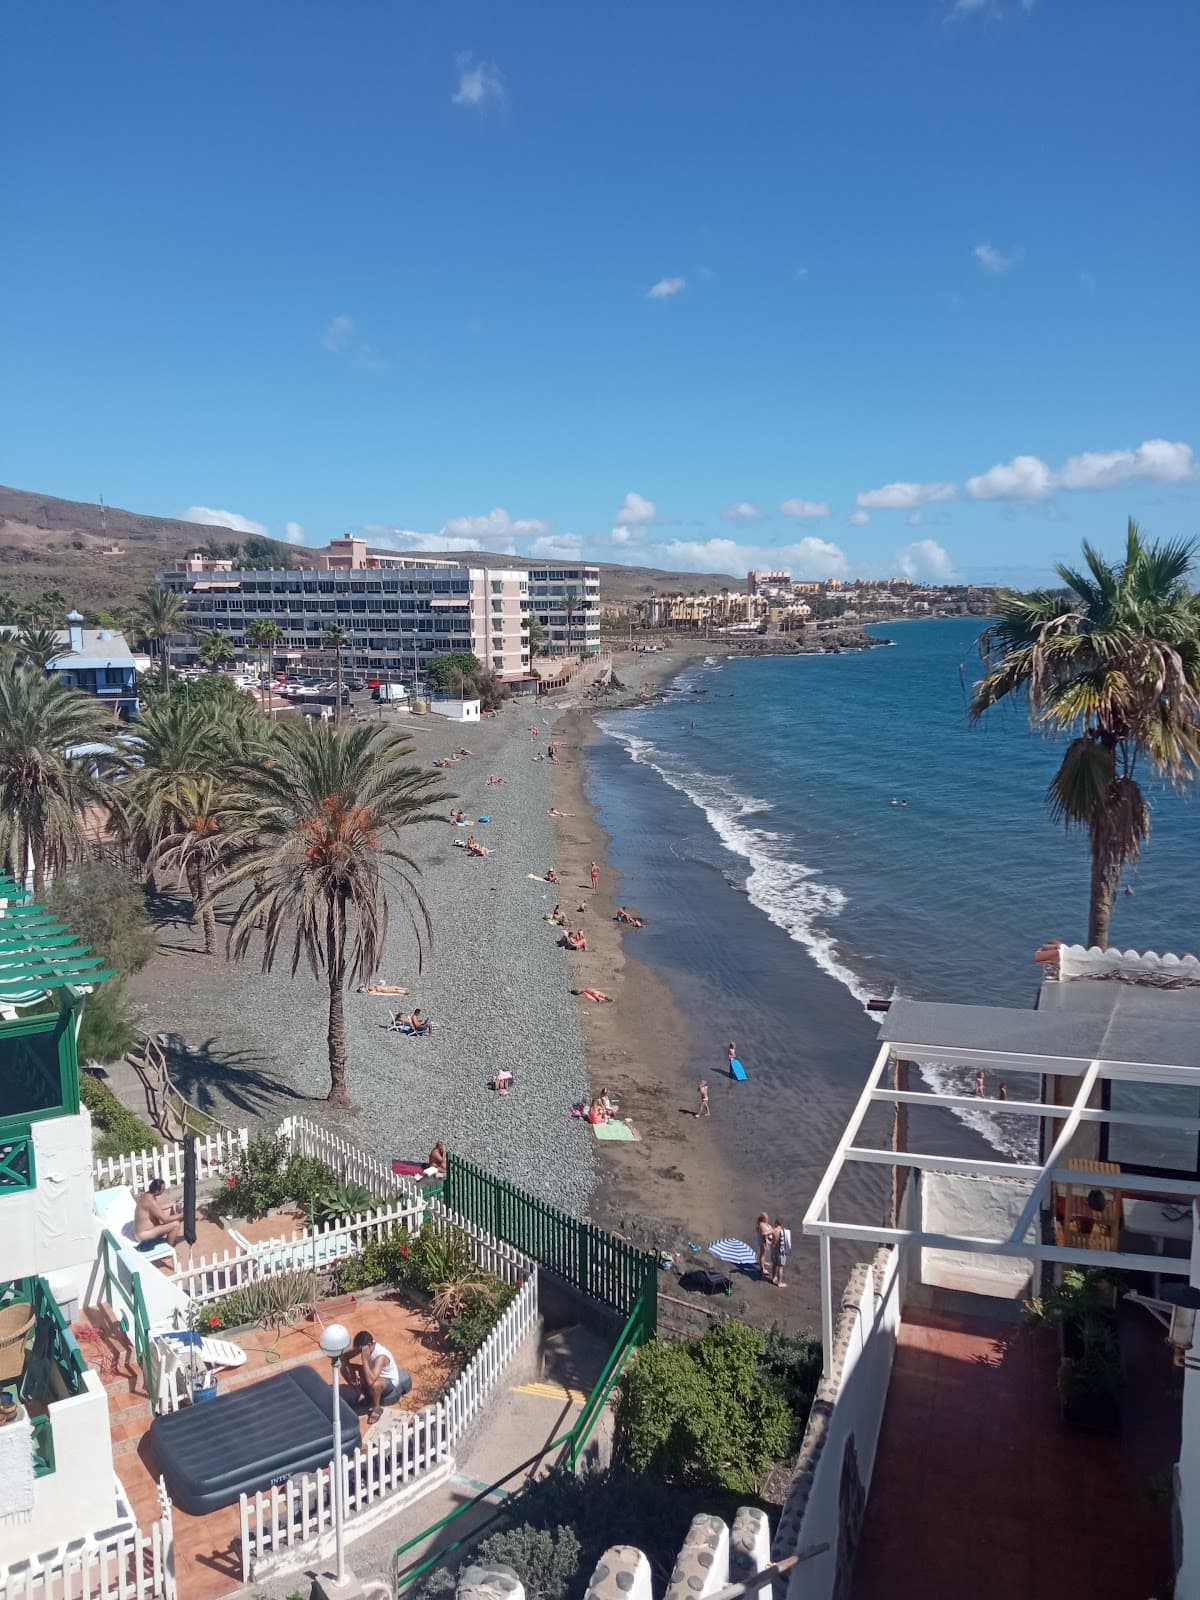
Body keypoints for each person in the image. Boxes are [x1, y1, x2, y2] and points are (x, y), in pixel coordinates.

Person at [340, 1330, 406, 1423]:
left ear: (370, 1345)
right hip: (372, 1374)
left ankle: (376, 1408)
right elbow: (344, 1357)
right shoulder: (364, 1347)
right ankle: (360, 1395)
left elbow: (371, 1381)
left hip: (387, 1381)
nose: (360, 1352)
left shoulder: (381, 1356)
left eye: (362, 1350)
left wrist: (365, 1359)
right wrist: (350, 1375)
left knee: (374, 1385)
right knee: (343, 1369)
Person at [134, 1179, 183, 1251]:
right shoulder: (150, 1201)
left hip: (144, 1231)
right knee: (176, 1224)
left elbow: (156, 1208)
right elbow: (165, 1219)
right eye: (163, 1189)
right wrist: (183, 1214)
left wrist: (172, 1204)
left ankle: (170, 1237)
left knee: (170, 1210)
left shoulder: (147, 1195)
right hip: (144, 1235)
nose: (164, 1190)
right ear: (157, 1191)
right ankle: (168, 1250)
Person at [771, 1219, 791, 1288]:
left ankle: (773, 1278)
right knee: (780, 1267)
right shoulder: (784, 1231)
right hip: (781, 1251)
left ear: (776, 1223)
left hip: (774, 1250)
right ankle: (779, 1283)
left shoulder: (773, 1230)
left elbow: (770, 1239)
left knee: (774, 1264)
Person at [755, 1212, 772, 1278]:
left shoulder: (762, 1223)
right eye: (766, 1217)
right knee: (762, 1254)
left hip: (762, 1240)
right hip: (763, 1241)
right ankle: (762, 1269)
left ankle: (763, 1262)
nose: (768, 1218)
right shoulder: (761, 1225)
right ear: (763, 1218)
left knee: (763, 1254)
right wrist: (766, 1244)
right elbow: (764, 1235)